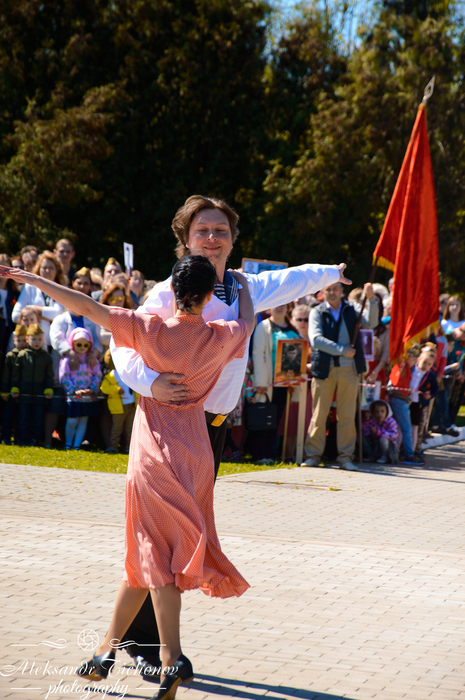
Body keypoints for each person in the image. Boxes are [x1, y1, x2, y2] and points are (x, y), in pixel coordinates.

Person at [109, 194, 350, 677]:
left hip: (210, 433)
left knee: (179, 535)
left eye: (221, 230)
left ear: (233, 240)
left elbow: (290, 280)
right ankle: (148, 648)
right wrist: (150, 382)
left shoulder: (243, 288)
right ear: (185, 239)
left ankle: (131, 643)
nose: (212, 238)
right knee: (166, 536)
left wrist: (330, 272)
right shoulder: (169, 292)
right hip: (171, 428)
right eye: (202, 230)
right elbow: (122, 345)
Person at [0, 253, 256, 699]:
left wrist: (32, 279)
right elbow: (248, 321)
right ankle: (105, 651)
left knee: (156, 557)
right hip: (196, 453)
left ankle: (172, 659)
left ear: (173, 290)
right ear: (206, 296)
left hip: (154, 453)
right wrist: (245, 288)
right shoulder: (221, 335)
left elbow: (85, 306)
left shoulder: (148, 328)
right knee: (143, 558)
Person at [301, 281, 378, 470]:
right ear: (323, 291)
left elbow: (372, 322)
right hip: (324, 369)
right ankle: (313, 456)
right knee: (319, 414)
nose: (332, 292)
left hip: (349, 370)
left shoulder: (353, 308)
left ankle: (345, 458)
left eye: (335, 288)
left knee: (347, 416)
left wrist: (371, 300)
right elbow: (316, 340)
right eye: (328, 289)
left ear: (342, 291)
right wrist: (342, 350)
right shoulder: (317, 312)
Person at [251, 304, 300, 463]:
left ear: (288, 307)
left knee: (276, 419)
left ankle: (269, 454)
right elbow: (258, 354)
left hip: (285, 383)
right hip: (267, 384)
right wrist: (261, 382)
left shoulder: (293, 327)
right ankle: (259, 455)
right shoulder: (263, 327)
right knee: (264, 417)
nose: (279, 307)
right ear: (270, 307)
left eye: (283, 304)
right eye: (276, 304)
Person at [10, 324, 54, 445]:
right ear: (27, 339)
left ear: (43, 339)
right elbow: (16, 374)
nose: (37, 342)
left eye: (39, 339)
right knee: (23, 417)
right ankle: (21, 439)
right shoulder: (22, 355)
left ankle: (35, 439)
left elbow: (49, 376)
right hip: (24, 393)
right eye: (33, 339)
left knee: (37, 418)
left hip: (40, 394)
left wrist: (48, 389)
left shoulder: (46, 357)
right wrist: (15, 387)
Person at [59, 328, 102, 450]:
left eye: (85, 345)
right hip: (74, 397)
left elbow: (98, 375)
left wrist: (92, 389)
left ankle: (77, 445)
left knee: (83, 421)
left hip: (87, 396)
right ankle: (68, 444)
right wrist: (73, 390)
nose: (82, 347)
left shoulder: (92, 360)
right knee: (72, 421)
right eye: (79, 344)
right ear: (73, 344)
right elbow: (63, 376)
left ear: (90, 345)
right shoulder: (67, 360)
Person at [12, 251, 66, 347]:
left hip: (53, 343)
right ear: (38, 269)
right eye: (44, 268)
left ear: (56, 271)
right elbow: (15, 316)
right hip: (30, 342)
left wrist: (32, 309)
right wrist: (44, 316)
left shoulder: (62, 289)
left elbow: (59, 314)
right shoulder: (30, 287)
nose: (47, 271)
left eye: (51, 268)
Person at [387, 344, 425, 465]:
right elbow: (394, 382)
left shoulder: (406, 367)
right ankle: (409, 454)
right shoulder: (401, 366)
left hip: (401, 400)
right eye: (414, 358)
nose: (415, 361)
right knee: (407, 428)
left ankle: (396, 453)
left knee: (398, 428)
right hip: (399, 400)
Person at [100, 350, 136, 454]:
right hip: (118, 407)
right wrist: (116, 390)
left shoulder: (129, 373)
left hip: (132, 405)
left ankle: (129, 449)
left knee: (130, 429)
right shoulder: (110, 376)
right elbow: (104, 388)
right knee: (117, 429)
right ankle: (113, 447)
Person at [1, 324, 27, 444]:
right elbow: (6, 375)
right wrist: (4, 391)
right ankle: (5, 437)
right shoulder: (10, 356)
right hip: (10, 391)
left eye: (24, 341)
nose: (21, 343)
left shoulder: (29, 356)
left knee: (22, 417)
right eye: (19, 341)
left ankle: (19, 438)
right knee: (8, 416)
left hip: (23, 392)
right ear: (14, 341)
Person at [362, 399, 399, 464]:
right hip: (375, 446)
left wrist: (379, 432)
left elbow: (393, 435)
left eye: (382, 411)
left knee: (383, 439)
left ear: (387, 412)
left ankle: (384, 456)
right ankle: (371, 456)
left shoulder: (391, 421)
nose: (380, 414)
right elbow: (365, 433)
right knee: (362, 438)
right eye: (377, 412)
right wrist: (366, 421)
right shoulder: (372, 421)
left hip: (389, 449)